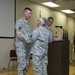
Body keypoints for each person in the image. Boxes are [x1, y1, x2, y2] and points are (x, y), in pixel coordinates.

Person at [15, 7, 32, 75]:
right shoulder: (19, 22)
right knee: (22, 65)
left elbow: (27, 35)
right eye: (29, 13)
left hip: (27, 47)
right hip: (21, 47)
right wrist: (27, 38)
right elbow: (19, 34)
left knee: (26, 65)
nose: (30, 15)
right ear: (24, 13)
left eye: (31, 14)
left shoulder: (27, 24)